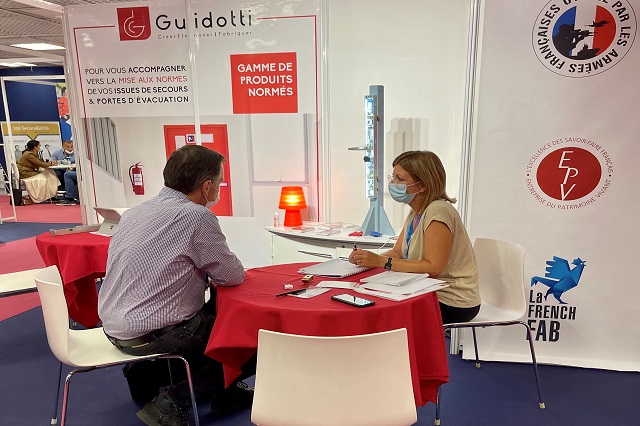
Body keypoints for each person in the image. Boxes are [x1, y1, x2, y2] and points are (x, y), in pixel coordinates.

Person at [98, 145, 255, 426]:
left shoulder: (135, 213)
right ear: (206, 186)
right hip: (155, 333)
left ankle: (150, 378)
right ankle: (172, 402)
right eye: (219, 182)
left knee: (215, 315)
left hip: (114, 327)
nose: (219, 189)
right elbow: (231, 275)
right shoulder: (197, 217)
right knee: (250, 341)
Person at [349, 150, 480, 324]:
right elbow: (397, 253)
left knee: (380, 311)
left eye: (399, 179)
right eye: (392, 177)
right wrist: (367, 260)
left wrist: (380, 262)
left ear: (422, 185)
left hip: (451, 299)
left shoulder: (438, 211)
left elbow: (433, 268)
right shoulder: (416, 212)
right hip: (425, 289)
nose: (393, 183)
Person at [16, 139, 59, 203]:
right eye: (39, 145)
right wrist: (51, 164)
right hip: (25, 173)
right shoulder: (29, 155)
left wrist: (49, 163)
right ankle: (46, 196)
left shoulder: (32, 153)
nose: (40, 147)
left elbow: (41, 161)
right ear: (35, 147)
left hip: (28, 171)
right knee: (46, 176)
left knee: (49, 173)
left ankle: (51, 194)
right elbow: (41, 164)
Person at [50, 140, 78, 205]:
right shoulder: (57, 153)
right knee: (55, 173)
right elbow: (52, 161)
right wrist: (53, 162)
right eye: (68, 147)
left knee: (67, 174)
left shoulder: (77, 153)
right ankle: (57, 193)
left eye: (72, 147)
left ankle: (70, 197)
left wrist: (73, 168)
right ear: (63, 147)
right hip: (60, 170)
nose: (70, 149)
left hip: (74, 170)